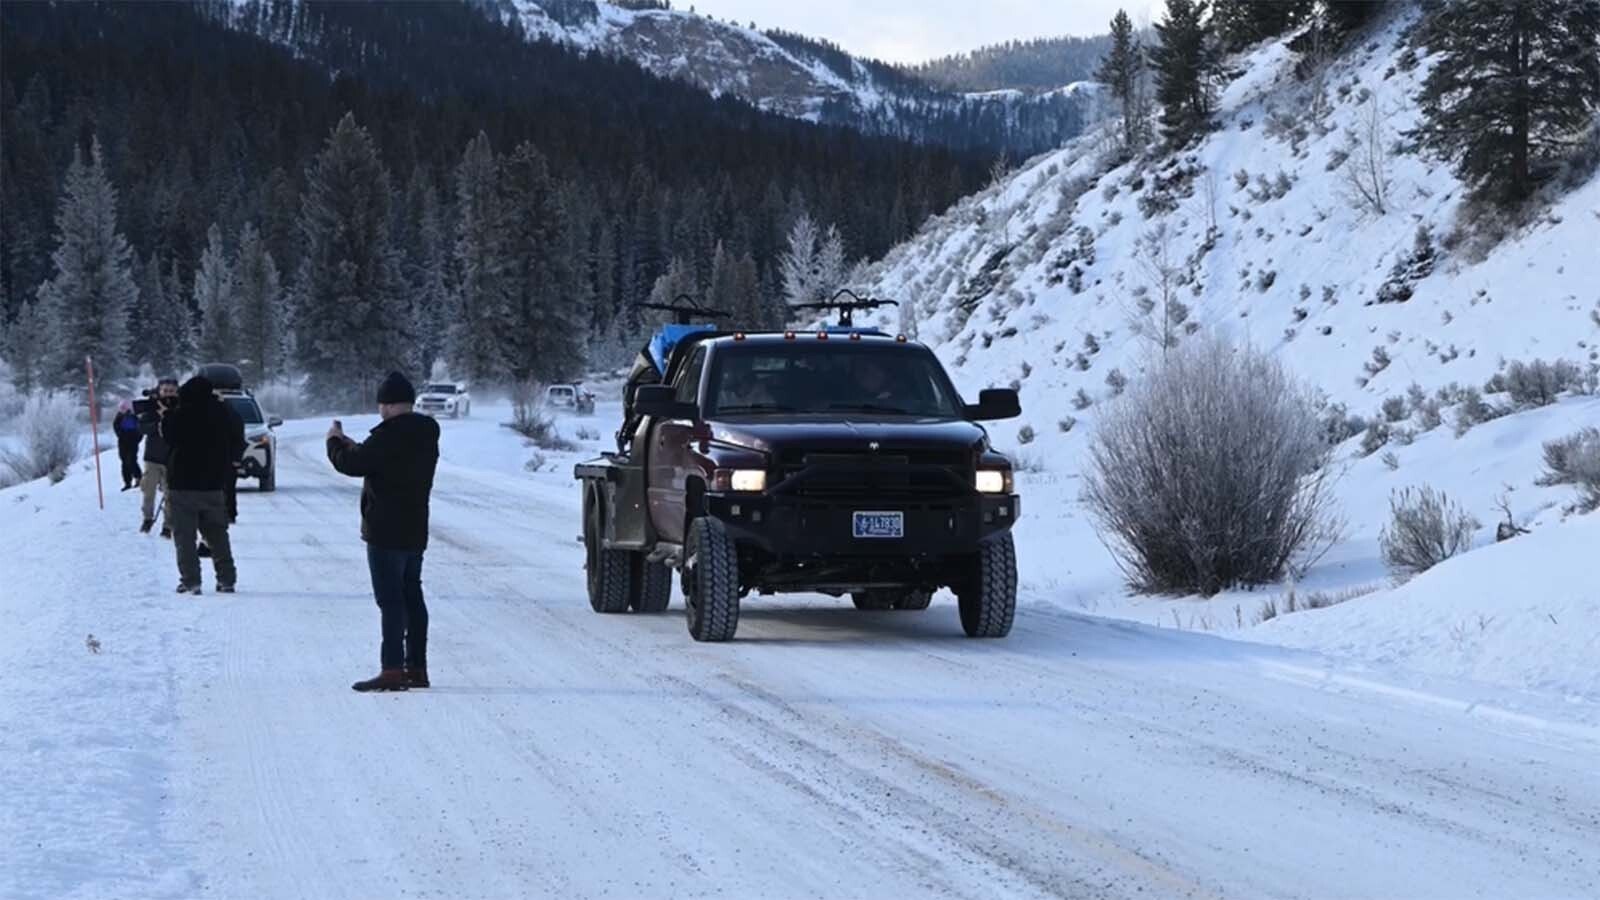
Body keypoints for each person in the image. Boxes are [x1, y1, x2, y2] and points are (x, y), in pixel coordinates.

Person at [328, 372, 440, 693]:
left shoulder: (388, 436)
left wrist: (334, 442)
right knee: (412, 596)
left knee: (390, 601)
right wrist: (356, 446)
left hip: (384, 530)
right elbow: (377, 457)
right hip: (415, 528)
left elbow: (352, 465)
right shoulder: (424, 432)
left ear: (388, 405)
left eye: (381, 405)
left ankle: (391, 669)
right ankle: (416, 667)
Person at [158, 375, 240, 594]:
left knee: (185, 536)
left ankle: (191, 580)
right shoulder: (223, 412)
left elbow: (169, 437)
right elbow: (237, 435)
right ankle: (227, 579)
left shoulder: (181, 413)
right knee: (218, 535)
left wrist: (166, 415)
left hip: (182, 483)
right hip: (213, 483)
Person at [139, 378, 179, 536]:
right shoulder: (151, 407)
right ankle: (147, 519)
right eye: (165, 390)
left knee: (171, 495)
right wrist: (158, 424)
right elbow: (141, 428)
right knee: (148, 491)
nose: (168, 393)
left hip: (172, 459)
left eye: (171, 390)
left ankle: (168, 526)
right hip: (153, 457)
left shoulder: (180, 407)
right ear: (159, 391)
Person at [113, 400, 143, 491]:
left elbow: (140, 429)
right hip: (122, 443)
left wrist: (137, 439)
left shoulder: (134, 417)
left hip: (133, 442)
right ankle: (127, 482)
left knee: (131, 460)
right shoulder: (119, 417)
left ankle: (138, 477)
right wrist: (121, 435)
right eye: (121, 408)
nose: (123, 410)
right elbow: (116, 427)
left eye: (124, 408)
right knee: (124, 462)